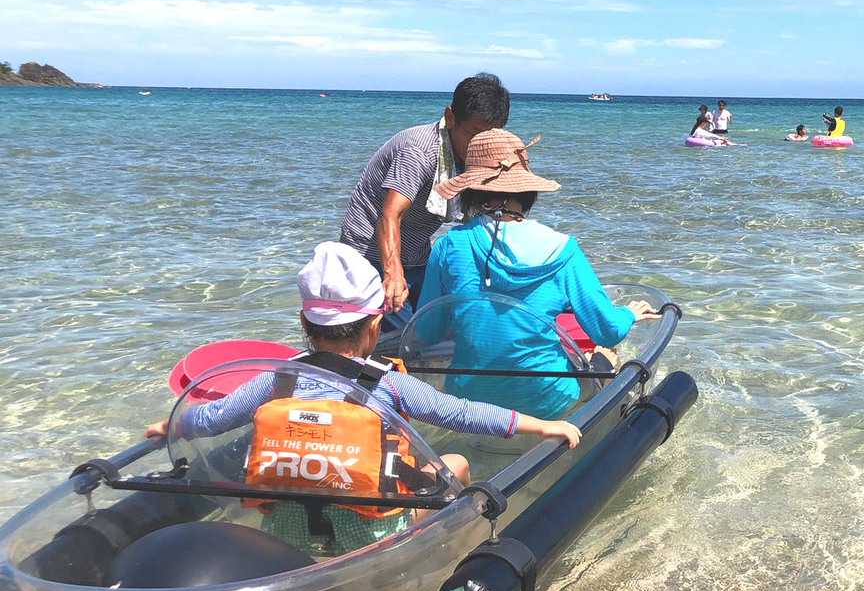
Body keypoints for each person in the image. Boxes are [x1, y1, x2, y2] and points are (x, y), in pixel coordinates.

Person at [143, 242, 581, 553]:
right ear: (374, 326)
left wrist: (173, 423)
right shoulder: (386, 383)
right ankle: (444, 546)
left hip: (286, 533)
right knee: (457, 463)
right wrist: (543, 425)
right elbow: (465, 415)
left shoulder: (276, 381)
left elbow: (213, 417)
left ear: (304, 320)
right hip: (373, 538)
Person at [418, 129, 663, 419]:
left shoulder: (448, 245)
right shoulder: (564, 250)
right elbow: (608, 332)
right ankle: (597, 371)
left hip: (468, 402)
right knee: (604, 356)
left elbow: (426, 331)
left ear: (469, 191)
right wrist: (629, 314)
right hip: (546, 401)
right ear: (527, 191)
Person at [338, 73, 511, 333]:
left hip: (417, 252)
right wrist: (393, 274)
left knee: (440, 328)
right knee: (403, 337)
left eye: (488, 138)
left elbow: (490, 213)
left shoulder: (480, 152)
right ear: (450, 117)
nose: (481, 147)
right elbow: (391, 214)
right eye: (474, 135)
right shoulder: (420, 150)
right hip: (370, 252)